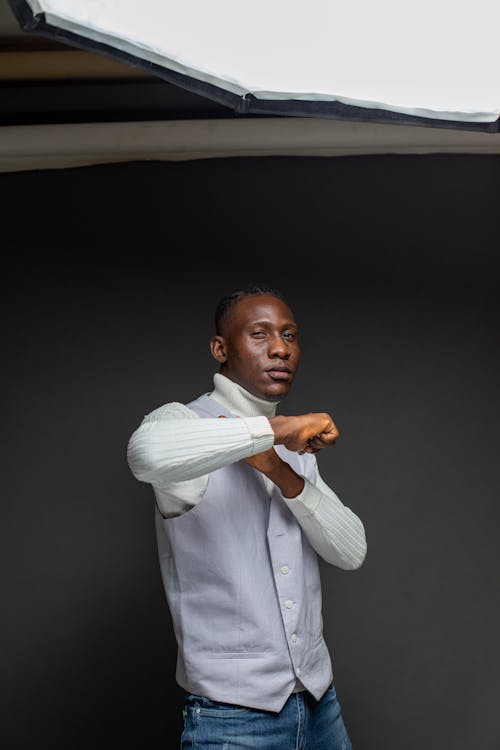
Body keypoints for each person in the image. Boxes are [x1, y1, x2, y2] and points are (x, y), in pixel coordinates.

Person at [126, 283, 367, 749]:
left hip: (321, 706)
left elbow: (351, 550)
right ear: (220, 348)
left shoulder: (296, 453)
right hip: (232, 720)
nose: (281, 348)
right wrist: (275, 430)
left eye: (290, 335)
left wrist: (280, 468)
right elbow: (145, 455)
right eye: (260, 334)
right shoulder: (182, 422)